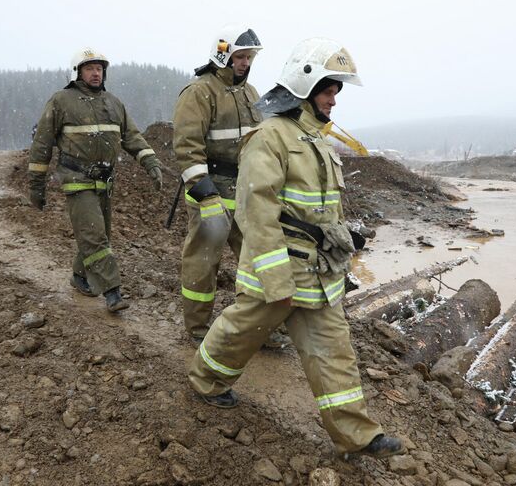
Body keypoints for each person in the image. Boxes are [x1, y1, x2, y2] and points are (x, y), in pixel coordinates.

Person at [188, 38, 406, 458]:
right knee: (240, 334)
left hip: (319, 274)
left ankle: (358, 434)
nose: (334, 100)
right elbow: (256, 211)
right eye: (329, 91)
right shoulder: (269, 137)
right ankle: (205, 381)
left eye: (336, 92)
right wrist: (274, 277)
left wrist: (342, 238)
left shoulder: (316, 141)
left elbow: (319, 209)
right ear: (305, 87)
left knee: (334, 350)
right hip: (280, 271)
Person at [27, 48, 163, 313]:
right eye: (89, 68)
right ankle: (112, 292)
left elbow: (132, 137)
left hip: (105, 182)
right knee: (96, 237)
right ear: (77, 72)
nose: (96, 73)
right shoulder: (61, 101)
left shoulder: (113, 103)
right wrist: (36, 185)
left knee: (98, 236)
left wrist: (151, 163)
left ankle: (80, 276)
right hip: (77, 181)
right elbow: (42, 144)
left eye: (99, 68)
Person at [172, 24, 265, 340]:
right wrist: (204, 192)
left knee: (256, 261)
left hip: (245, 192)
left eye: (249, 57)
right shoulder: (200, 92)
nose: (245, 63)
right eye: (240, 56)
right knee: (202, 263)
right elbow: (187, 146)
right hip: (212, 192)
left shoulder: (250, 93)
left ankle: (260, 328)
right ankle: (197, 329)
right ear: (223, 55)